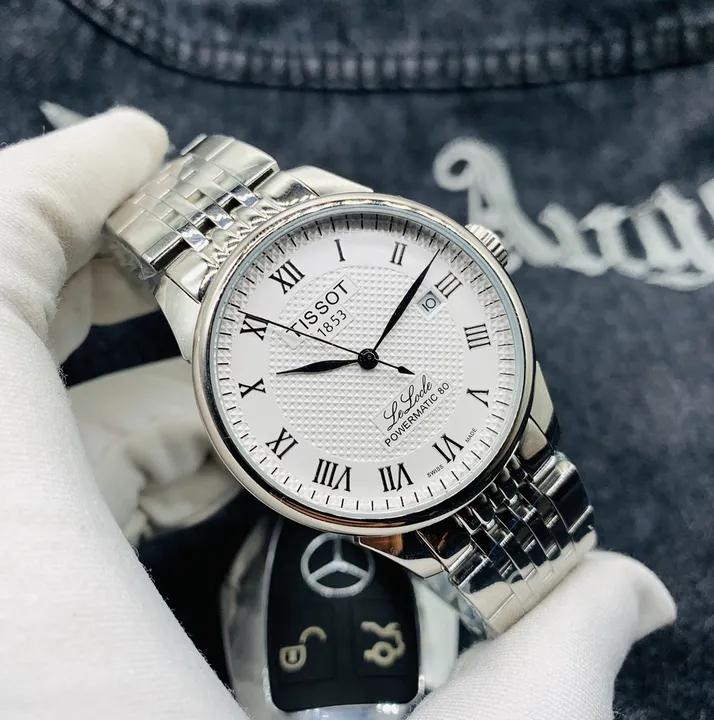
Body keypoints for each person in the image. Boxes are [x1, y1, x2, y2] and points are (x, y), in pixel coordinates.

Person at [0, 107, 675, 719]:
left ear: (475, 253)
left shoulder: (333, 220)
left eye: (366, 355)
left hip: (493, 429)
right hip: (406, 492)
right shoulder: (197, 321)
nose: (366, 358)